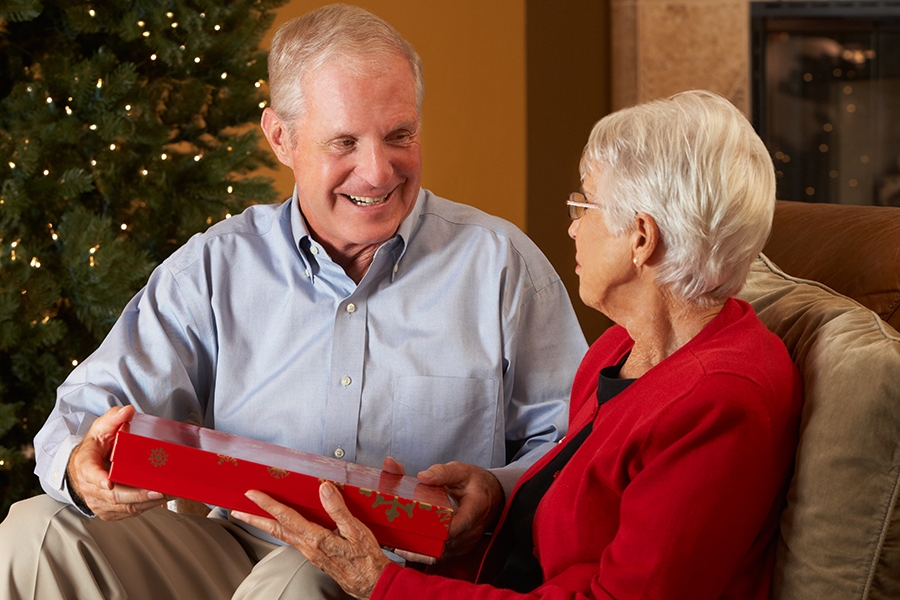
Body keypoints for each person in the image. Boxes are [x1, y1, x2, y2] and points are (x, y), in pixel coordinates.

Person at [0, 5, 587, 599]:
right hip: (233, 551)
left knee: (295, 584)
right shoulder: (214, 266)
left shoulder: (500, 265)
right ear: (282, 137)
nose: (378, 171)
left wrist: (498, 489)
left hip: (402, 569)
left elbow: (577, 443)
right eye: (345, 142)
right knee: (38, 531)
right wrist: (81, 468)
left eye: (399, 136)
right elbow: (84, 415)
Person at [232, 90, 805, 600]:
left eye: (585, 205)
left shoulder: (720, 400)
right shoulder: (618, 351)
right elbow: (571, 497)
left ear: (641, 236)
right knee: (298, 577)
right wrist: (493, 494)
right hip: (490, 575)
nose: (573, 227)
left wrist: (385, 585)